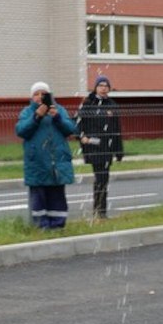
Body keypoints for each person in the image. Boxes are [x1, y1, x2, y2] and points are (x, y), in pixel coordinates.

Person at [16, 81, 77, 229]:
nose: (39, 97)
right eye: (36, 94)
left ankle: (58, 225)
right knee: (39, 196)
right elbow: (21, 130)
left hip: (57, 162)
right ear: (31, 97)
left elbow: (70, 129)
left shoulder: (59, 110)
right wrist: (36, 117)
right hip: (37, 163)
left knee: (57, 196)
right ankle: (41, 226)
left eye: (43, 94)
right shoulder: (27, 112)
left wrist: (57, 118)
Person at [76, 75, 124, 219]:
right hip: (93, 147)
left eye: (106, 86)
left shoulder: (112, 105)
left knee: (104, 178)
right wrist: (82, 136)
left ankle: (100, 210)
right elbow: (77, 123)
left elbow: (116, 129)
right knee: (100, 177)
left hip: (107, 147)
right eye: (101, 85)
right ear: (95, 87)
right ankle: (99, 210)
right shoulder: (88, 103)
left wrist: (118, 151)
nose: (103, 88)